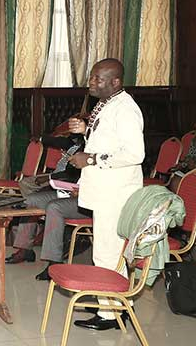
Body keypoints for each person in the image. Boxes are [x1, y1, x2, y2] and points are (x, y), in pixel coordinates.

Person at [67, 58, 145, 331]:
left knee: (107, 252)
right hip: (106, 190)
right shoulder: (109, 104)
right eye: (91, 77)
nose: (92, 82)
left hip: (116, 192)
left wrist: (90, 159)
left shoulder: (125, 109)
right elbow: (111, 141)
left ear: (115, 82)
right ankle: (115, 302)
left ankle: (110, 313)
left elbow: (135, 154)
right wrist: (86, 131)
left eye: (98, 78)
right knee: (109, 251)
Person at [6, 134, 83, 264]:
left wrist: (50, 178)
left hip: (81, 194)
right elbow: (60, 141)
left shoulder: (95, 148)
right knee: (31, 200)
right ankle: (25, 249)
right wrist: (41, 138)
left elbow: (72, 174)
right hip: (67, 187)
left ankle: (53, 262)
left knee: (53, 206)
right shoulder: (76, 143)